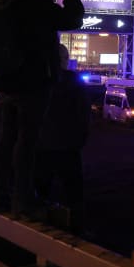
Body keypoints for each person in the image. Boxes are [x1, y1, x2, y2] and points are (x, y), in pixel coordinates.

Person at [0, 0, 84, 218]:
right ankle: (23, 200)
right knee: (27, 141)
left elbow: (28, 9)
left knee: (7, 138)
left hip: (7, 77)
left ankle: (0, 196)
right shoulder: (33, 1)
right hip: (33, 79)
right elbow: (71, 20)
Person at [33, 44, 91, 233]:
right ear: (65, 61)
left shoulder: (40, 81)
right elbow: (83, 114)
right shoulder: (75, 82)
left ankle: (38, 227)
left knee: (41, 190)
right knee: (74, 191)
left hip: (42, 146)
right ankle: (77, 227)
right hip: (68, 147)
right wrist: (79, 139)